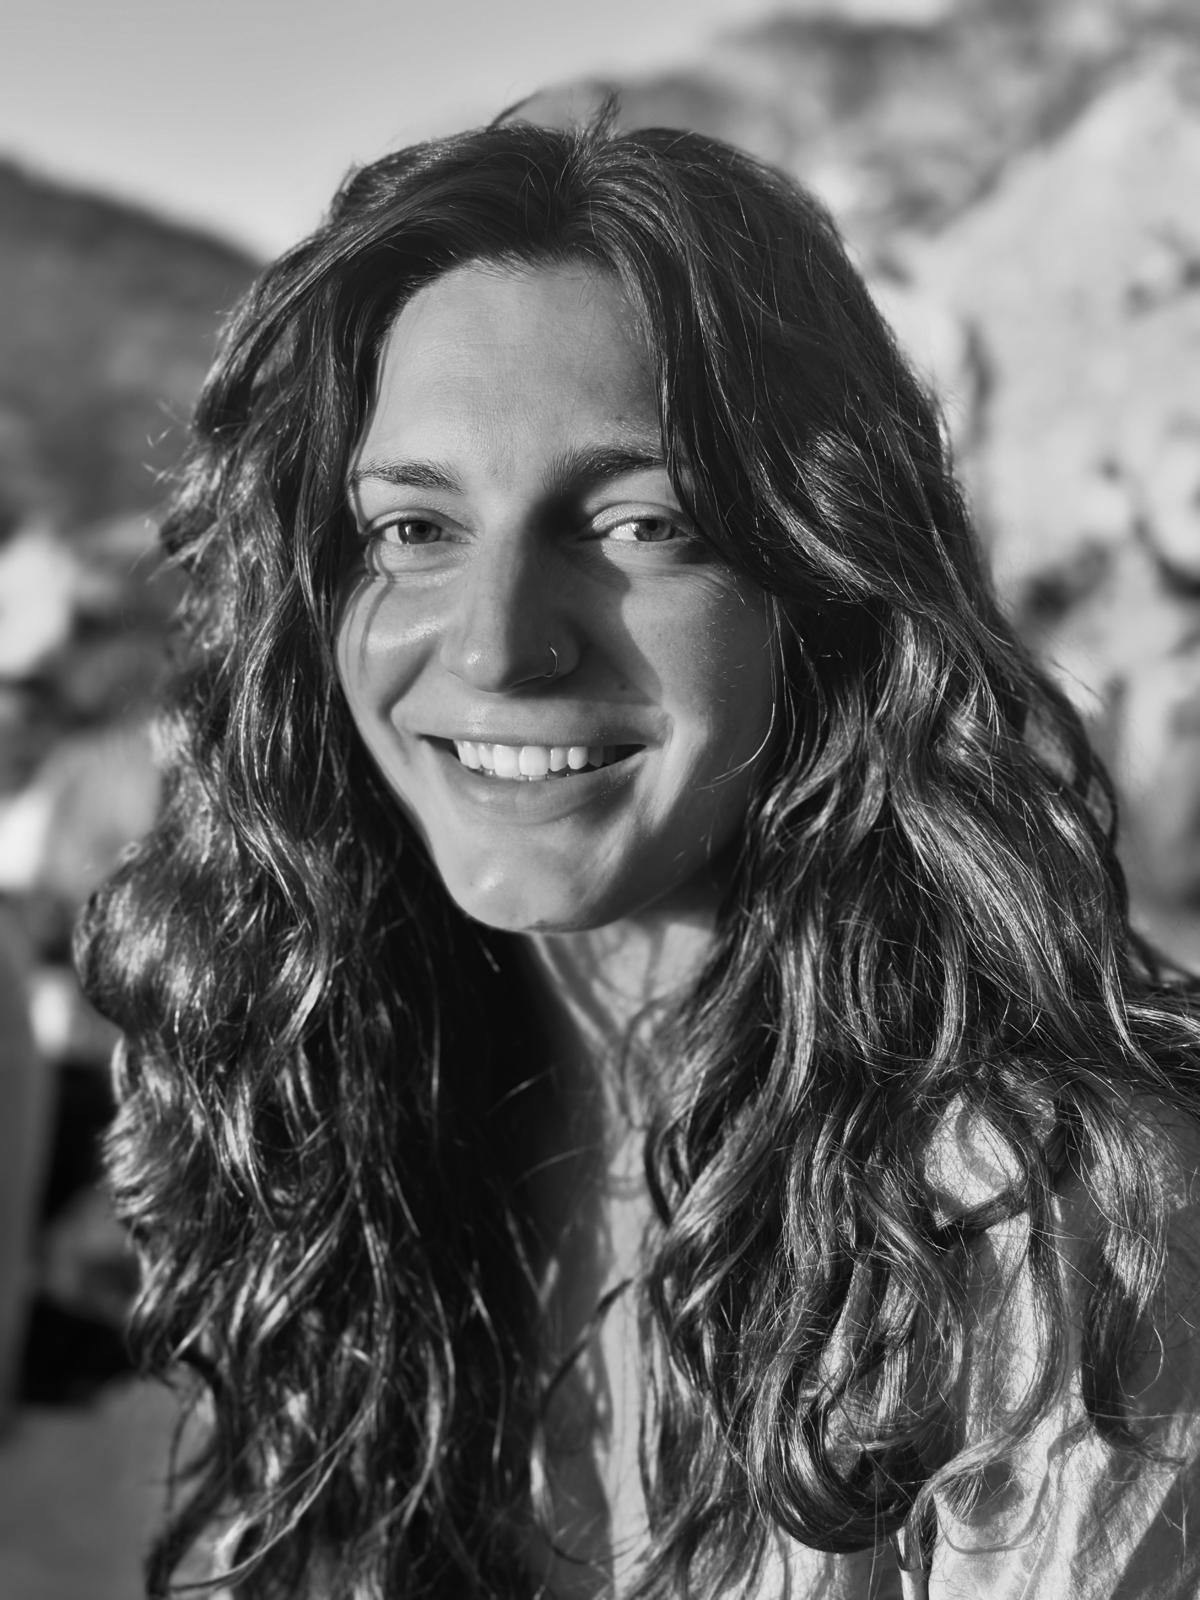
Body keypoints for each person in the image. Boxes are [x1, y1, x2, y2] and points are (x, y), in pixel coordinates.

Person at [76, 110, 1200, 1600]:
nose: (495, 642)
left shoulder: (1057, 1216)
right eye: (412, 528)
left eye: (639, 524)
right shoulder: (335, 1097)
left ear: (824, 583)